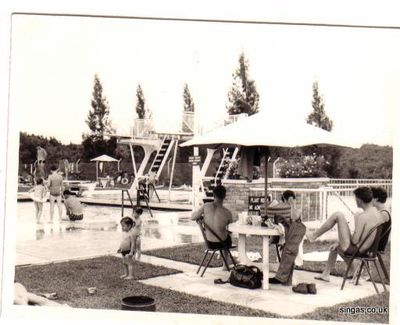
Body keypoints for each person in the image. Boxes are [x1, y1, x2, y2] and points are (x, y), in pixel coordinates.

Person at [306, 186, 382, 282]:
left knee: (338, 215)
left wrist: (355, 220)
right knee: (336, 246)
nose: (355, 201)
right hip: (367, 250)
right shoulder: (376, 212)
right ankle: (326, 274)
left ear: (359, 200)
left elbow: (354, 240)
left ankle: (313, 236)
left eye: (355, 198)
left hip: (357, 250)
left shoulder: (363, 217)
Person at [191, 185, 234, 270]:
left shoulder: (206, 206)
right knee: (227, 235)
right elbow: (231, 228)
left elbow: (193, 217)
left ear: (213, 195)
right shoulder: (228, 213)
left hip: (209, 242)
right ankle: (225, 265)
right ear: (224, 196)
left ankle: (224, 263)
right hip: (222, 243)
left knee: (223, 233)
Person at [268, 190, 306, 285]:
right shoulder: (280, 209)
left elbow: (294, 218)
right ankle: (284, 278)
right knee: (286, 252)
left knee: (289, 251)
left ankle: (282, 278)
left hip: (293, 238)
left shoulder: (296, 211)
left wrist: (292, 205)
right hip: (284, 237)